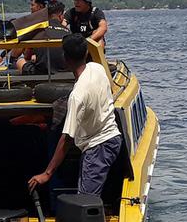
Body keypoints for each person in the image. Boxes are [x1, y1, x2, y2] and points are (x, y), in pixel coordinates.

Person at [28, 35, 122, 196]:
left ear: (65, 59)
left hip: (97, 147)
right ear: (86, 53)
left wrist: (47, 173)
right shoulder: (97, 68)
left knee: (86, 200)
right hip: (113, 139)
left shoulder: (77, 96)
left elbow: (67, 139)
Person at [0, 0, 48, 67]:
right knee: (21, 38)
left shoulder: (38, 21)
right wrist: (2, 55)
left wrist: (2, 56)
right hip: (38, 53)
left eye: (32, 5)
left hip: (42, 53)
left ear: (40, 6)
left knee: (22, 41)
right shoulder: (35, 20)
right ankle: (12, 63)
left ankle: (13, 63)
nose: (30, 8)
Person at [16, 0, 68, 75]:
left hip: (40, 73)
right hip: (64, 72)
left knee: (20, 61)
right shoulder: (68, 32)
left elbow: (27, 55)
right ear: (60, 15)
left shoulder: (38, 30)